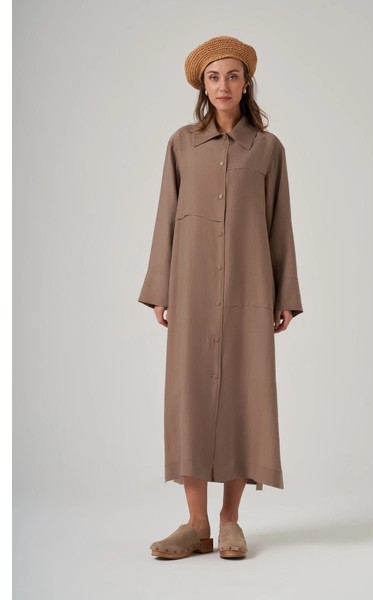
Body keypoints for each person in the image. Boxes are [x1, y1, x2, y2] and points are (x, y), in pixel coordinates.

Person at [138, 35, 304, 559]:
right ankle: (196, 524)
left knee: (243, 395)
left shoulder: (268, 149)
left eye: (233, 75)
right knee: (189, 394)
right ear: (203, 86)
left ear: (246, 82)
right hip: (190, 288)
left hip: (249, 289)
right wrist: (160, 289)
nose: (224, 85)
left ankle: (230, 521)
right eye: (214, 77)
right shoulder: (181, 144)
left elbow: (280, 225)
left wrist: (284, 294)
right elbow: (166, 217)